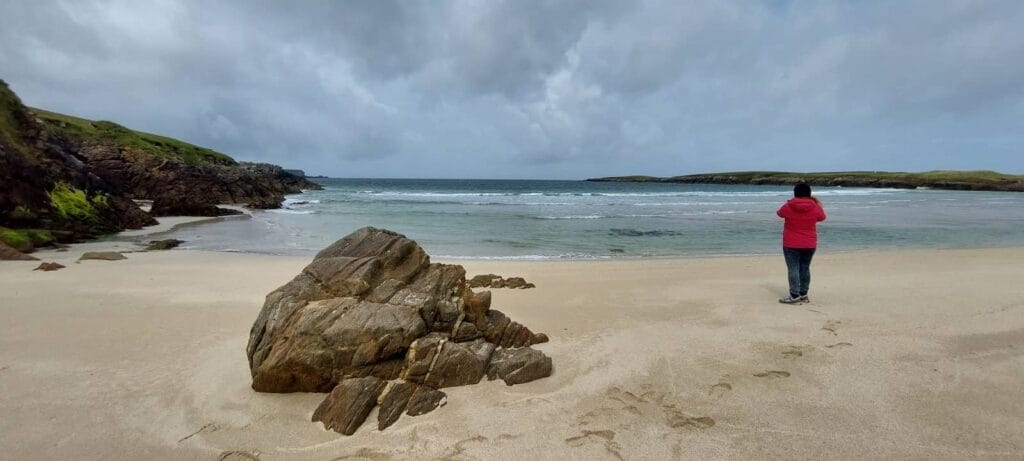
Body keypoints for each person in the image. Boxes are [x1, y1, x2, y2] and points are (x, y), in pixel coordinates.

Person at [776, 183, 826, 304]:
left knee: (793, 269)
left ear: (795, 193)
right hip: (809, 243)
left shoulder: (789, 206)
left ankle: (794, 295)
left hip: (791, 243)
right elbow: (822, 217)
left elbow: (779, 213)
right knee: (805, 268)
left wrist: (791, 202)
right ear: (809, 193)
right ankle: (803, 294)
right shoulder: (815, 206)